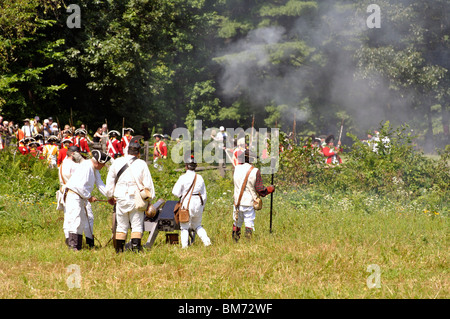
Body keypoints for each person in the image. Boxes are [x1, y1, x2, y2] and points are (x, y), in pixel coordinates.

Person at [106, 138, 155, 253]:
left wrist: (110, 196)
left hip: (120, 198)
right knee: (137, 224)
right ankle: (135, 249)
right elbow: (148, 184)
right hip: (136, 198)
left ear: (127, 151)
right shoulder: (142, 163)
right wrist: (150, 199)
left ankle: (119, 251)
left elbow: (110, 182)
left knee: (121, 225)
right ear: (138, 153)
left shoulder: (117, 162)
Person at [63, 150, 113, 251]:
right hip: (74, 195)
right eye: (103, 164)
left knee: (81, 222)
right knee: (75, 220)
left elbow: (100, 184)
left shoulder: (94, 169)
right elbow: (80, 186)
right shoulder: (87, 167)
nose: (103, 166)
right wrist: (89, 197)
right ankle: (73, 247)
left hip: (80, 196)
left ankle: (77, 246)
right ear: (98, 162)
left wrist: (110, 196)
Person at [232, 149, 275, 241]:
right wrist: (270, 189)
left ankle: (235, 242)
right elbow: (261, 190)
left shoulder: (236, 168)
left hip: (237, 202)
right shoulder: (255, 171)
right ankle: (248, 243)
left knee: (237, 223)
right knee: (249, 224)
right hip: (249, 202)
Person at [172, 155, 211, 248]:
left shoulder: (183, 177)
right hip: (198, 204)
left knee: (184, 227)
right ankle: (207, 242)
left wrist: (182, 195)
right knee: (197, 226)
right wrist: (203, 206)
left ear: (186, 166)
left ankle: (185, 247)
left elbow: (175, 192)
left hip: (187, 204)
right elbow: (204, 195)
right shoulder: (200, 178)